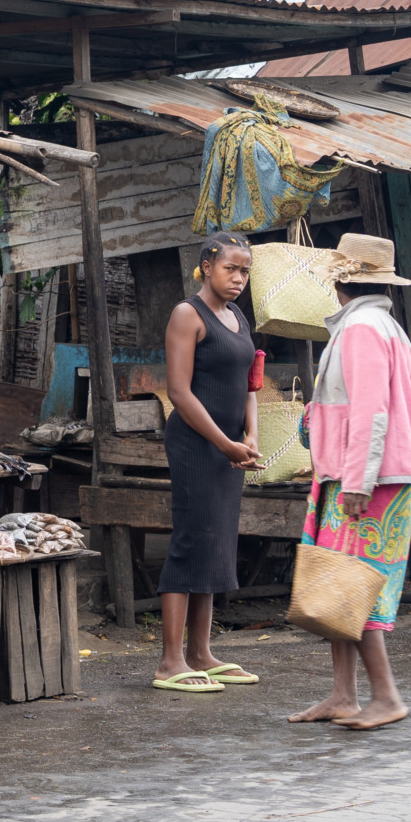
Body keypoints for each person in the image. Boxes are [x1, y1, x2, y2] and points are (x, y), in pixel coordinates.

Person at [290, 232, 411, 731]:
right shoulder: (384, 326)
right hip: (361, 473)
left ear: (341, 280)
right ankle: (344, 695)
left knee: (354, 586)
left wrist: (357, 480)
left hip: (369, 480)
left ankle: (386, 696)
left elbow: (372, 411)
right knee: (339, 584)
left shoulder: (362, 329)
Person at [153, 231, 261, 694]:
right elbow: (179, 392)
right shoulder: (186, 314)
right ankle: (169, 661)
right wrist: (224, 442)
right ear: (206, 266)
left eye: (245, 271)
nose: (238, 279)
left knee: (215, 542)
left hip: (228, 449)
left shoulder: (236, 316)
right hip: (198, 446)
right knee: (190, 541)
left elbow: (249, 382)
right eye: (230, 269)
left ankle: (201, 652)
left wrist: (250, 435)